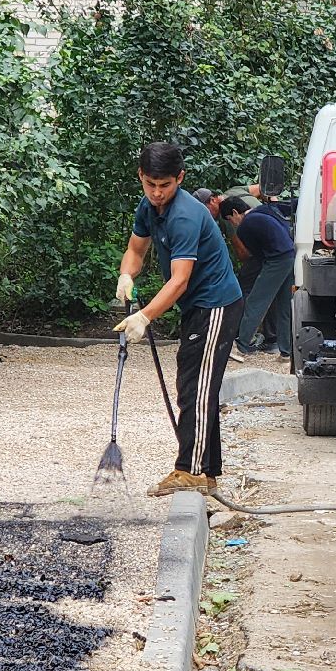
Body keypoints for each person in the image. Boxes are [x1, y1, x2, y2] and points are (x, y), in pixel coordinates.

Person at [114, 142, 245, 496]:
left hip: (216, 304)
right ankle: (207, 470)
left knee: (196, 390)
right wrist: (127, 275)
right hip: (196, 307)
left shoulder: (185, 215)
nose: (157, 193)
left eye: (166, 185)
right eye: (151, 184)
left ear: (180, 178)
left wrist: (144, 316)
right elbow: (135, 250)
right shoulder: (149, 207)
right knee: (194, 386)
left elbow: (179, 279)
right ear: (141, 177)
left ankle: (191, 471)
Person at [222, 195, 296, 357]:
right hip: (291, 255)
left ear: (235, 212)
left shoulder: (244, 227)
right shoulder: (264, 209)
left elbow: (256, 255)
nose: (232, 224)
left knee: (256, 301)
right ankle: (286, 350)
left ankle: (242, 343)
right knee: (284, 305)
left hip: (276, 260)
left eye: (230, 219)